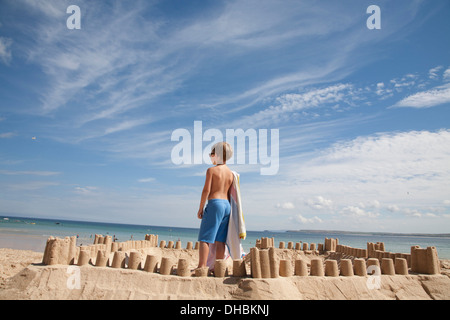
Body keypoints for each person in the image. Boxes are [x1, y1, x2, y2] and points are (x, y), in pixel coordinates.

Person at [197, 141, 234, 269]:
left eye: (211, 154)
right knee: (220, 240)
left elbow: (206, 190)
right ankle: (219, 268)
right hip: (227, 206)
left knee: (205, 238)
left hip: (215, 203)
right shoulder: (231, 174)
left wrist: (201, 208)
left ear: (217, 155)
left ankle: (201, 266)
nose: (210, 157)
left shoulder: (211, 170)